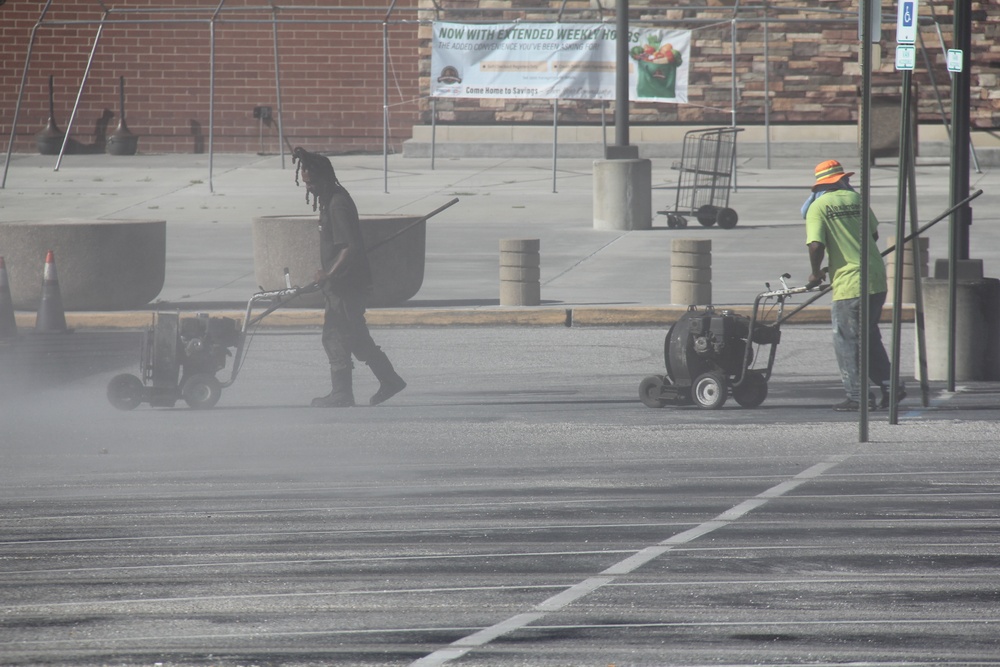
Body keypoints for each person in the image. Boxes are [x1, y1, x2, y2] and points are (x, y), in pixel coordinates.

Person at [292, 147, 406, 408]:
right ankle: (389, 380)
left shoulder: (337, 203)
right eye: (306, 183)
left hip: (347, 285)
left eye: (311, 183)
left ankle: (342, 393)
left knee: (335, 334)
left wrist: (329, 273)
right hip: (340, 284)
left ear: (324, 177)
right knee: (354, 335)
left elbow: (350, 247)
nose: (308, 188)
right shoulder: (330, 199)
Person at [804, 159, 903, 411]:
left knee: (847, 339)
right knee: (868, 336)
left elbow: (815, 244)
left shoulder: (819, 206)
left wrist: (815, 274)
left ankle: (858, 396)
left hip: (850, 283)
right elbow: (873, 235)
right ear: (840, 179)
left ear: (820, 185)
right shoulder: (857, 200)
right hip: (876, 278)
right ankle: (891, 387)